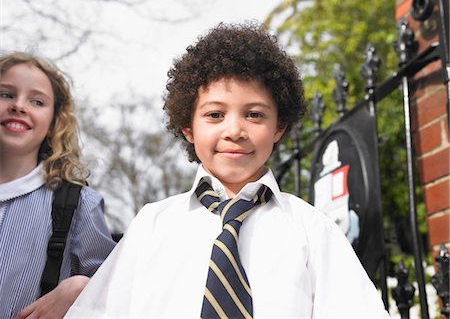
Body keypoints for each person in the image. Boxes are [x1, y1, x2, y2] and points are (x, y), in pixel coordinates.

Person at [65, 22, 390, 318]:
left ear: (279, 127)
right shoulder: (151, 225)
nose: (234, 130)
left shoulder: (313, 231)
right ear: (188, 128)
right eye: (215, 115)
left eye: (255, 115)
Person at [0, 51, 116, 319]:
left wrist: (80, 288)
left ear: (54, 123)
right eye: (6, 94)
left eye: (37, 101)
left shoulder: (77, 205)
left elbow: (115, 291)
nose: (19, 105)